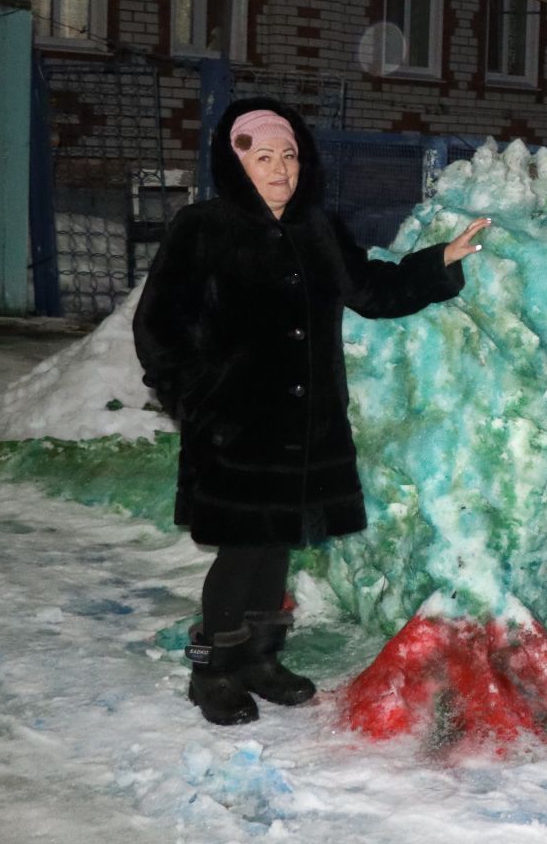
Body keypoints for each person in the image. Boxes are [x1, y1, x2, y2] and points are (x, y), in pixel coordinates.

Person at [134, 98, 489, 726]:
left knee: (276, 550)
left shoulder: (316, 228)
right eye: (264, 157)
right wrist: (199, 403)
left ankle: (259, 660)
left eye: (289, 156)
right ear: (236, 164)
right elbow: (159, 328)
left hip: (306, 431)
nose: (280, 170)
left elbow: (372, 291)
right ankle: (209, 668)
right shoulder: (202, 228)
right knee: (242, 552)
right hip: (234, 430)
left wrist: (442, 261)